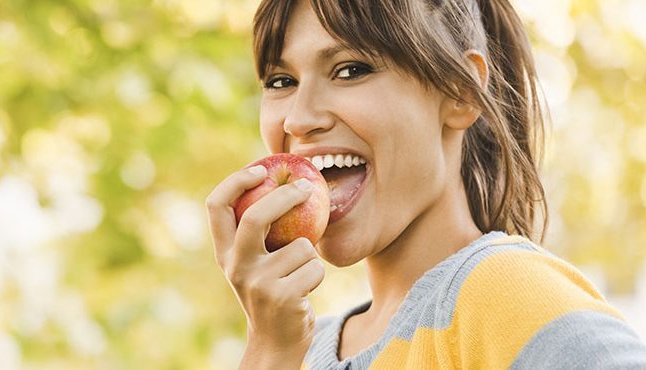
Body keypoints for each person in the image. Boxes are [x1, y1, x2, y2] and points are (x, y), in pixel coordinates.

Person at [204, 0, 646, 368]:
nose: (298, 118)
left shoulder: (504, 295)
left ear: (461, 91)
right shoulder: (305, 346)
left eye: (350, 69)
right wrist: (269, 351)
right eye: (282, 81)